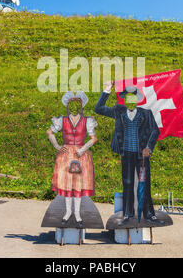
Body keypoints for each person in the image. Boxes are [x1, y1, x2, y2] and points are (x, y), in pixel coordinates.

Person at [95, 81, 164, 225]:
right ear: (124, 100)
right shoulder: (118, 111)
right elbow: (99, 108)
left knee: (144, 183)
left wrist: (148, 148)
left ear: (137, 100)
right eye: (127, 98)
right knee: (127, 183)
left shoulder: (146, 113)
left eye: (133, 98)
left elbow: (155, 131)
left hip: (142, 156)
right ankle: (128, 215)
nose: (130, 101)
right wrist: (107, 90)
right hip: (126, 154)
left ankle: (149, 215)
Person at [46, 91, 98, 228]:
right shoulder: (62, 120)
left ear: (81, 106)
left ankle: (78, 213)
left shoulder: (87, 121)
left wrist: (82, 149)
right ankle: (68, 212)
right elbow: (49, 132)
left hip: (81, 154)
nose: (75, 107)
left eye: (78, 104)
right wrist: (57, 145)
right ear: (68, 106)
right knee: (68, 183)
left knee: (78, 184)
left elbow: (94, 138)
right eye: (72, 104)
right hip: (66, 155)